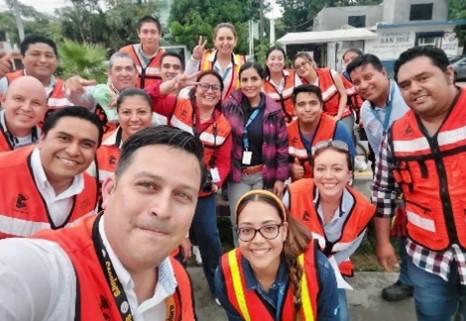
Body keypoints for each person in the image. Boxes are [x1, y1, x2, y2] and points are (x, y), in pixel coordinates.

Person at [0, 126, 202, 320]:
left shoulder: (177, 279)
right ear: (109, 190)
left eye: (182, 195)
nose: (163, 210)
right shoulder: (43, 269)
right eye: (147, 185)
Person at [373, 46, 466, 321]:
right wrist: (382, 242)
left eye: (423, 78)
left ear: (448, 74)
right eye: (405, 84)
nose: (414, 89)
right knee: (430, 314)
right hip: (426, 254)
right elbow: (383, 192)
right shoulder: (398, 133)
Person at [154, 70, 232, 298]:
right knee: (167, 237)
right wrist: (171, 85)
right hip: (170, 188)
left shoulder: (224, 126)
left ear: (221, 94)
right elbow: (149, 98)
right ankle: (172, 287)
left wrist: (213, 180)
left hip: (201, 194)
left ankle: (218, 287)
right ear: (195, 88)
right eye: (204, 86)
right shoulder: (178, 106)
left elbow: (225, 162)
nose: (209, 91)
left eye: (215, 88)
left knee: (209, 238)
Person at [215, 189, 340, 321]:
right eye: (247, 230)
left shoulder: (319, 270)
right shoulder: (225, 275)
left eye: (269, 228)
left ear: (284, 231)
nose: (258, 240)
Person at [347, 53, 412, 301]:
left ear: (383, 74)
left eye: (368, 77)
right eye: (357, 81)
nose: (363, 85)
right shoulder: (365, 110)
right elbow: (377, 150)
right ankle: (407, 280)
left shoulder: (407, 97)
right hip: (393, 177)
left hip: (421, 178)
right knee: (404, 228)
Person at [286, 140, 375, 321]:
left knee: (339, 317)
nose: (328, 176)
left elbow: (351, 246)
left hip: (331, 270)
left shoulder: (362, 209)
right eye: (320, 169)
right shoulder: (294, 193)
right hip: (291, 267)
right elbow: (277, 232)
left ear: (349, 174)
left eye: (337, 169)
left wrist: (322, 269)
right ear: (313, 171)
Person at [0, 106, 102, 239]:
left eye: (86, 144)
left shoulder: (90, 188)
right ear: (42, 139)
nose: (73, 151)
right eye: (64, 138)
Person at [222, 62, 289, 228]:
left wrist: (280, 179)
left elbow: (282, 146)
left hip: (264, 174)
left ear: (262, 80)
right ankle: (240, 253)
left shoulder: (273, 110)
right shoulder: (229, 106)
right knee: (239, 219)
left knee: (263, 218)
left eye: (254, 79)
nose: (249, 84)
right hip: (238, 175)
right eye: (244, 80)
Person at [287, 84, 355, 181]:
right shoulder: (286, 132)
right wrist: (290, 168)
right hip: (301, 189)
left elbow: (348, 165)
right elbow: (277, 163)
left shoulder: (337, 128)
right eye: (301, 104)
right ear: (294, 109)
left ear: (321, 106)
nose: (307, 109)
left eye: (313, 103)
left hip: (331, 186)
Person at [64, 51, 139, 130]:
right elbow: (77, 97)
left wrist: (127, 102)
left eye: (129, 69)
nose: (124, 74)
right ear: (109, 73)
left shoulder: (143, 98)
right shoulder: (98, 93)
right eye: (118, 69)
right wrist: (71, 86)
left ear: (136, 73)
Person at [93, 88, 153, 183]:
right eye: (126, 112)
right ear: (118, 114)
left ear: (151, 114)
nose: (134, 118)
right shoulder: (99, 145)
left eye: (142, 112)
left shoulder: (164, 149)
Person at [0, 35, 73, 110]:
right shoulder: (6, 83)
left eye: (49, 55)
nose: (43, 60)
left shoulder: (67, 89)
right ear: (22, 58)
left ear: (57, 60)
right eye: (35, 54)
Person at [292, 53, 355, 137]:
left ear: (310, 62)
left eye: (304, 64)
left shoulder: (330, 73)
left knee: (343, 138)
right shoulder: (301, 86)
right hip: (323, 119)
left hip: (343, 114)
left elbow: (343, 95)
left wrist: (338, 117)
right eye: (297, 67)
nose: (302, 68)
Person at [186, 22, 246, 101]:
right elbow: (188, 84)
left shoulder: (243, 62)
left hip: (232, 111)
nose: (225, 42)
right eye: (221, 39)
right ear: (215, 41)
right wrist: (195, 59)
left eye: (229, 38)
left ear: (235, 41)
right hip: (206, 110)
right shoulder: (203, 59)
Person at [0, 76, 47, 152]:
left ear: (45, 109)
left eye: (36, 103)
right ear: (3, 100)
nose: (26, 108)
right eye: (18, 99)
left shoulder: (50, 134)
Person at [120, 16, 165, 89]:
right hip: (128, 98)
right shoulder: (125, 53)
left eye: (153, 32)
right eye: (145, 32)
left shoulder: (166, 58)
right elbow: (112, 78)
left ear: (159, 34)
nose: (149, 36)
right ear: (139, 33)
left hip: (155, 99)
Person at [263, 46, 302, 122]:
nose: (276, 62)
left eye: (280, 59)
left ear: (284, 62)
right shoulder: (262, 84)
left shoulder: (293, 76)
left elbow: (303, 98)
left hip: (297, 123)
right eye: (272, 59)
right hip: (275, 127)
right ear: (266, 62)